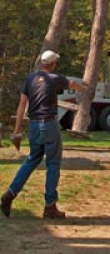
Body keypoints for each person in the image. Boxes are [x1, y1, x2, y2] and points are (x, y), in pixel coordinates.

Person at [0, 49, 84, 219]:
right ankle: (50, 206)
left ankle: (10, 193)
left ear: (41, 62)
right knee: (53, 163)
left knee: (32, 160)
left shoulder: (30, 79)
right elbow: (71, 84)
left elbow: (22, 104)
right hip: (49, 124)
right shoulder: (54, 78)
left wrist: (16, 130)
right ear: (53, 64)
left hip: (34, 126)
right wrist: (81, 86)